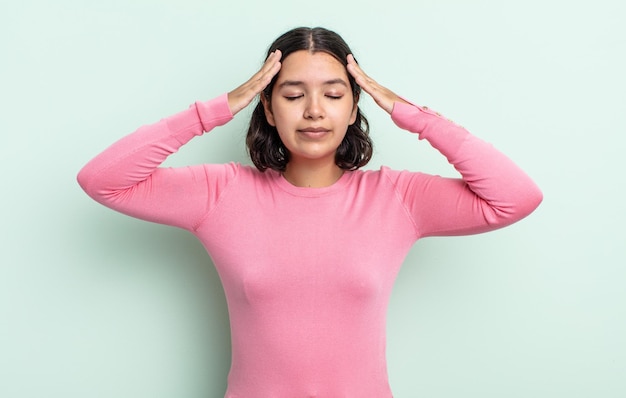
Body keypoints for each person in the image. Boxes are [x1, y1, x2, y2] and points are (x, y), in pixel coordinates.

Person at [77, 27, 542, 397]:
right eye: (294, 95)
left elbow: (515, 197)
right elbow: (102, 180)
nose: (315, 111)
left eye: (335, 95)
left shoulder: (397, 198)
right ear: (268, 107)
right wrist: (214, 111)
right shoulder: (221, 192)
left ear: (356, 105)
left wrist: (410, 113)